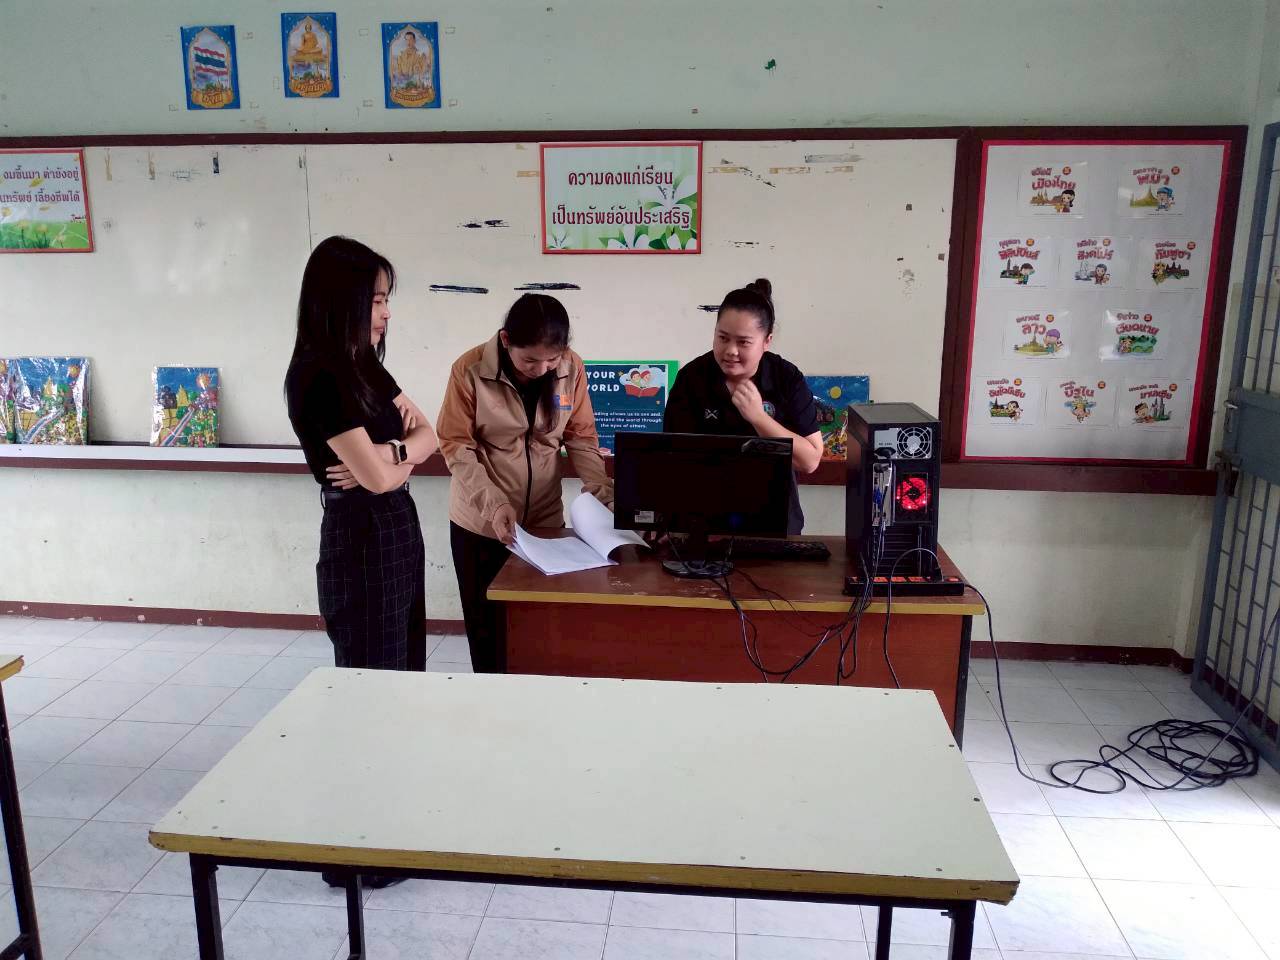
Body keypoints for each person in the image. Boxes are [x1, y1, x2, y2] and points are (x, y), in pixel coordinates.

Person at [437, 294, 612, 673]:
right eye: (530, 360)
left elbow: (581, 437)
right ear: (505, 340)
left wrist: (602, 493)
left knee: (541, 630)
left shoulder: (571, 368)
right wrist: (494, 504)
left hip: (544, 526)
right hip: (481, 525)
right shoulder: (469, 370)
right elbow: (456, 445)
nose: (542, 369)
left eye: (552, 359)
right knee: (488, 631)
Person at [664, 278, 821, 535]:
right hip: (703, 524)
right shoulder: (691, 379)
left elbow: (810, 460)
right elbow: (670, 459)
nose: (730, 351)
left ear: (767, 341)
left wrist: (759, 418)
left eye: (743, 342)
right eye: (722, 338)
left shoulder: (786, 378)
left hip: (774, 522)